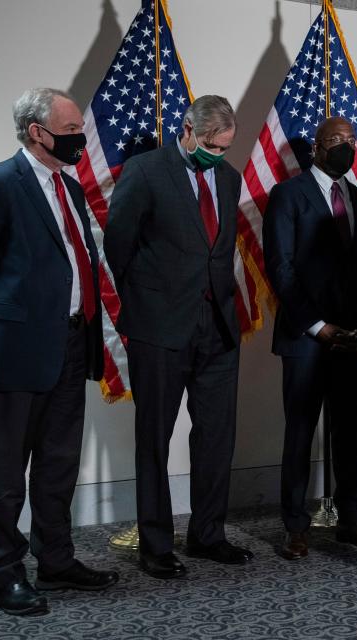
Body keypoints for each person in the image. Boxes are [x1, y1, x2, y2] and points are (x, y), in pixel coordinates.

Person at [0, 88, 119, 616]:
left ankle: (57, 560)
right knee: (5, 472)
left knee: (59, 463)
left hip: (70, 343)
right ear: (35, 132)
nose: (78, 140)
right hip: (16, 348)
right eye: (69, 131)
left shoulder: (69, 187)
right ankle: (4, 571)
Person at [104, 95, 252, 579]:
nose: (217, 154)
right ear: (186, 129)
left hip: (218, 328)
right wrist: (150, 303)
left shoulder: (229, 179)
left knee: (217, 437)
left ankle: (208, 535)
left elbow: (220, 249)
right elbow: (117, 246)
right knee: (155, 439)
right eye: (210, 144)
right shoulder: (145, 171)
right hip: (160, 328)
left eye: (225, 147)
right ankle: (155, 544)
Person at [263, 117, 357, 561]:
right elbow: (280, 267)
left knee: (350, 431)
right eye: (335, 141)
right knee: (300, 432)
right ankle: (295, 526)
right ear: (316, 148)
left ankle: (353, 521)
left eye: (351, 142)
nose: (345, 148)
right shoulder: (287, 195)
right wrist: (318, 325)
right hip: (307, 337)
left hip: (354, 338)